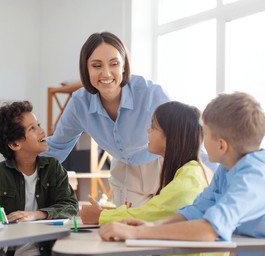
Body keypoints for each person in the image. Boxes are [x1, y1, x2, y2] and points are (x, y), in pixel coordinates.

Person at [99, 92, 265, 256]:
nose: (200, 138)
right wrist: (150, 226)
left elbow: (208, 230)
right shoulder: (228, 168)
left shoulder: (254, 180)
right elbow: (195, 211)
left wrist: (138, 234)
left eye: (205, 133)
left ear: (221, 146)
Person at [81, 101, 226, 256]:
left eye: (154, 127)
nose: (147, 130)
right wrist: (105, 212)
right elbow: (156, 210)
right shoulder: (193, 172)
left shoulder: (189, 179)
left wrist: (101, 216)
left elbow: (149, 215)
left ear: (170, 136)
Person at [42, 31, 171, 207]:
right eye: (96, 66)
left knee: (168, 226)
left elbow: (186, 137)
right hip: (125, 171)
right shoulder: (80, 103)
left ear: (124, 65)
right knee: (127, 227)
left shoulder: (151, 94)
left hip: (162, 165)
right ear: (86, 69)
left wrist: (210, 175)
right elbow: (58, 145)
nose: (106, 73)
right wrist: (17, 166)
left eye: (114, 64)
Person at [0, 100, 79, 256]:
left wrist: (37, 214)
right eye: (32, 129)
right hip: (5, 254)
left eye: (38, 125)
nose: (42, 131)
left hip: (41, 252)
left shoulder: (53, 168)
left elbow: (71, 206)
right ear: (15, 144)